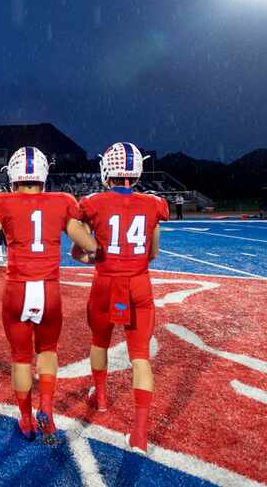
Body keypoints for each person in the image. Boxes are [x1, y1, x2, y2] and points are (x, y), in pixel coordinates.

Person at [0, 147, 97, 445]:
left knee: (20, 358)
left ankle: (25, 417)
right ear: (43, 175)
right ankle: (46, 408)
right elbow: (89, 244)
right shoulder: (62, 201)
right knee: (47, 352)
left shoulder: (3, 202)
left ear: (12, 175)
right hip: (48, 290)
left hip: (17, 290)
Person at [72, 142, 169, 454]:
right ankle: (139, 434)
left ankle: (99, 397)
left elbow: (80, 250)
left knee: (99, 342)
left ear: (107, 170)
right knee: (140, 356)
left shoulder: (93, 202)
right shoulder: (154, 203)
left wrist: (98, 257)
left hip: (106, 284)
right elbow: (152, 252)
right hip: (139, 284)